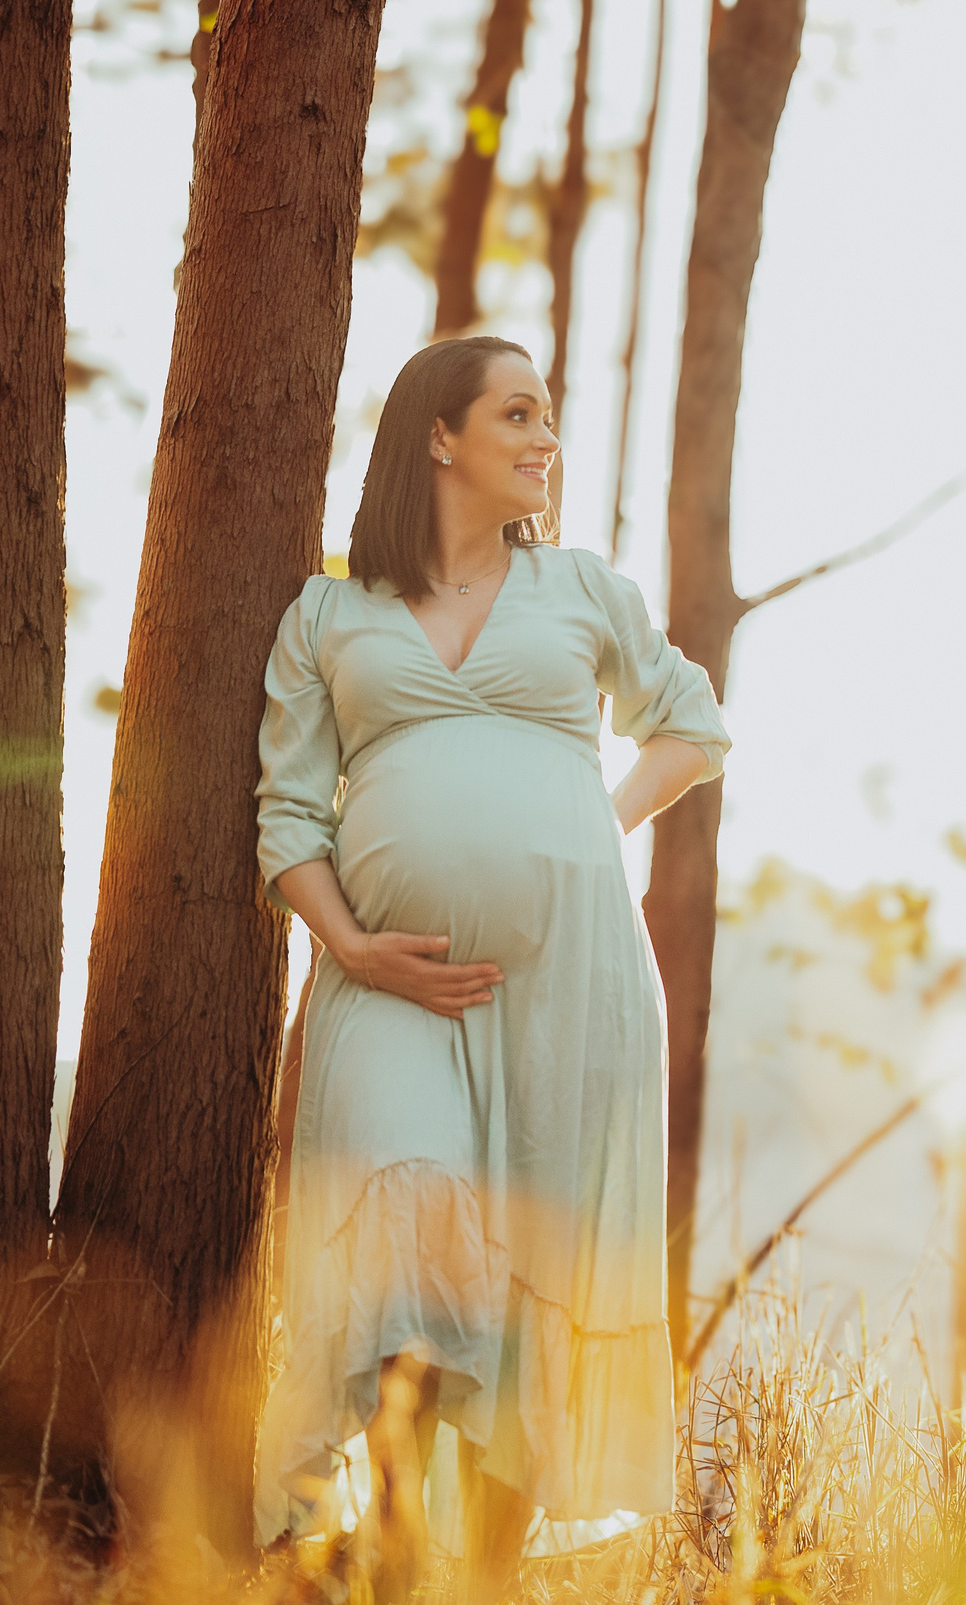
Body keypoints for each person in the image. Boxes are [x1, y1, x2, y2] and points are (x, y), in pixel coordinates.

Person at [251, 336, 727, 1600]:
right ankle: (399, 1547)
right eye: (517, 413)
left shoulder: (582, 590)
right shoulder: (330, 613)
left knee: (529, 1281)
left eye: (550, 416)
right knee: (407, 1237)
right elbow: (289, 815)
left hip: (570, 986)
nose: (543, 437)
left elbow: (691, 725)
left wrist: (584, 833)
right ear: (438, 436)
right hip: (383, 985)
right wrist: (348, 942)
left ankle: (485, 1585)